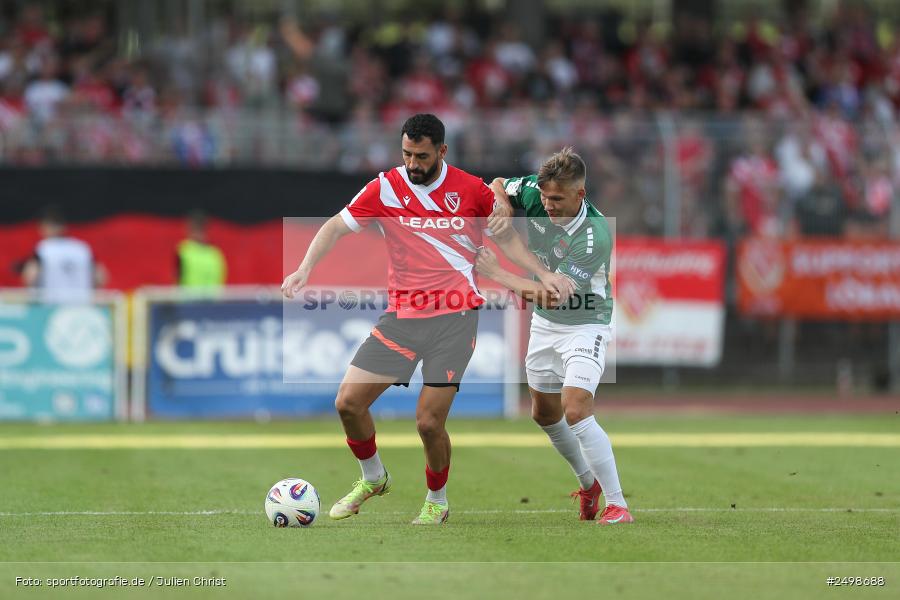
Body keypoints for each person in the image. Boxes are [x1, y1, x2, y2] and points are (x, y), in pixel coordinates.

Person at [281, 114, 568, 525]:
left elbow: (506, 239)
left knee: (429, 423)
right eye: (407, 154)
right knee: (348, 403)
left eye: (421, 156)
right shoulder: (384, 187)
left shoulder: (470, 190)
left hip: (456, 318)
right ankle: (374, 477)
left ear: (441, 152)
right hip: (402, 316)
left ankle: (437, 499)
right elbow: (335, 226)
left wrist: (542, 274)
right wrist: (306, 267)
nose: (413, 164)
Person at [477, 147, 634, 526]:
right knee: (543, 413)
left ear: (580, 194)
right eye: (545, 196)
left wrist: (496, 274)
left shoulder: (594, 235)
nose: (547, 204)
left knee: (576, 407)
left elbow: (551, 293)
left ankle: (618, 504)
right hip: (546, 324)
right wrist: (502, 205)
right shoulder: (535, 190)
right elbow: (497, 184)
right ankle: (587, 483)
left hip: (586, 322)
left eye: (557, 198)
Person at [21, 205, 106, 303]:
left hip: (51, 306)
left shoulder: (44, 248)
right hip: (82, 305)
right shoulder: (82, 248)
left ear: (46, 226)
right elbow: (101, 278)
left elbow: (30, 276)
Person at [176, 210, 227, 288]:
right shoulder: (216, 254)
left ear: (190, 228)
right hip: (210, 299)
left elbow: (177, 278)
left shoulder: (183, 250)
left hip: (190, 298)